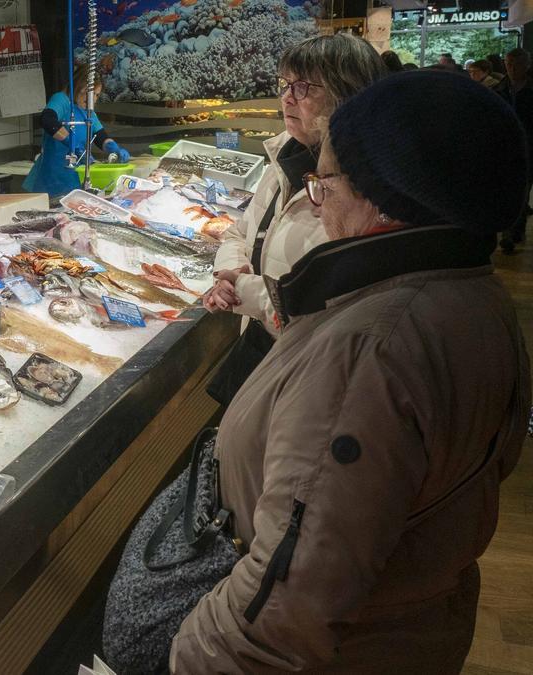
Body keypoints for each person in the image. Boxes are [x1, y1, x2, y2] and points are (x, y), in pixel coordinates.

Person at [172, 70, 529, 673]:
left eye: (325, 181)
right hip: (408, 625)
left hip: (349, 649)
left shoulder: (371, 350)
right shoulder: (471, 289)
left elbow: (283, 608)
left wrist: (192, 655)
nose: (317, 197)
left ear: (385, 198)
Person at [201, 34, 385, 404]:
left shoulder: (363, 190)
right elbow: (240, 230)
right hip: (264, 354)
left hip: (314, 378)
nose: (287, 97)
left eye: (304, 87)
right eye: (286, 85)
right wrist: (229, 271)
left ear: (348, 95)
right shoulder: (285, 157)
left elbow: (337, 307)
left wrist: (242, 291)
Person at [23, 63, 131, 197]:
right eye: (88, 92)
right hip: (52, 179)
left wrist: (113, 148)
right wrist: (71, 144)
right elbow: (47, 120)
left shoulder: (88, 110)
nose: (92, 99)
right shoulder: (61, 100)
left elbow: (100, 136)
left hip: (75, 180)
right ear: (77, 85)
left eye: (96, 95)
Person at [498, 48, 533, 253]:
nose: (511, 68)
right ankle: (509, 232)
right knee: (508, 191)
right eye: (509, 64)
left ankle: (513, 230)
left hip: (527, 149)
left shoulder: (505, 89)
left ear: (526, 65)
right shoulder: (500, 89)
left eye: (516, 64)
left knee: (521, 190)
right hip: (505, 149)